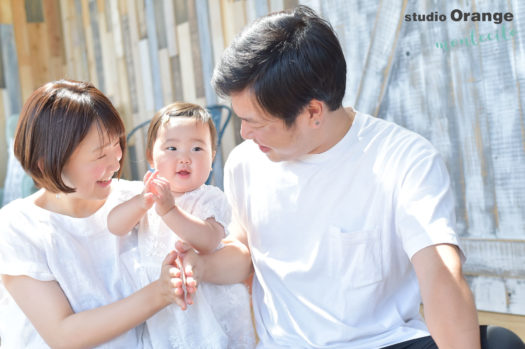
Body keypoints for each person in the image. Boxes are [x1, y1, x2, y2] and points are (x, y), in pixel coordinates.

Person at [176, 5, 525, 349]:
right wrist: (200, 267)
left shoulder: (403, 159)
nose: (244, 133)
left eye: (257, 122)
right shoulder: (245, 163)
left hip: (384, 343)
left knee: (499, 344)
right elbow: (245, 251)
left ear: (313, 111)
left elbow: (441, 276)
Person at [0, 80, 193, 348]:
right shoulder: (18, 227)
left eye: (117, 144)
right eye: (100, 154)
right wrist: (159, 292)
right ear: (47, 164)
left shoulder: (136, 200)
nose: (115, 162)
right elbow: (63, 335)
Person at [107, 102, 255, 348]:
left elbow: (208, 240)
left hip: (210, 302)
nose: (185, 158)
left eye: (197, 148)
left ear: (212, 156)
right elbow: (115, 225)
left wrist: (170, 211)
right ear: (150, 156)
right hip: (165, 304)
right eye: (172, 147)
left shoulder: (209, 197)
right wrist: (141, 202)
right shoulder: (144, 196)